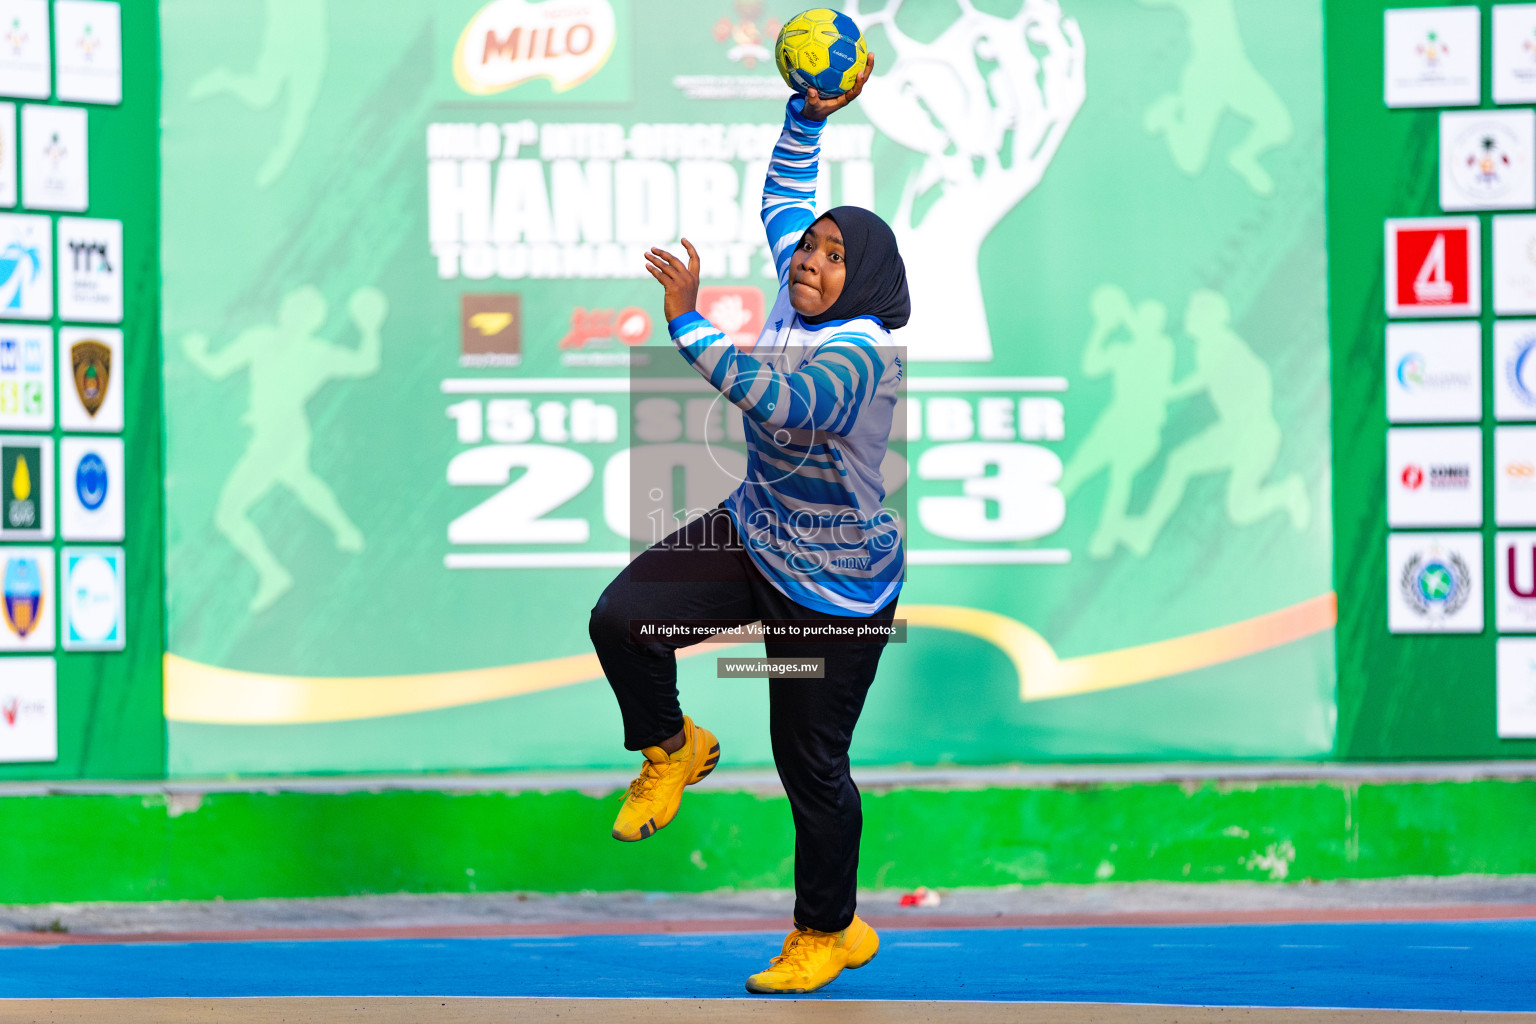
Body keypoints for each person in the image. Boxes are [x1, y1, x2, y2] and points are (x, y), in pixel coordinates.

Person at [587, 56, 908, 996]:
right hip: (756, 530)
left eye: (833, 255)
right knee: (623, 620)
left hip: (833, 589)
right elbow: (782, 195)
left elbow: (778, 398)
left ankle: (829, 930)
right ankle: (673, 747)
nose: (809, 259)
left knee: (811, 766)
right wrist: (803, 117)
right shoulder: (799, 285)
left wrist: (687, 322)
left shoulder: (858, 354)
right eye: (809, 247)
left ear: (867, 280)